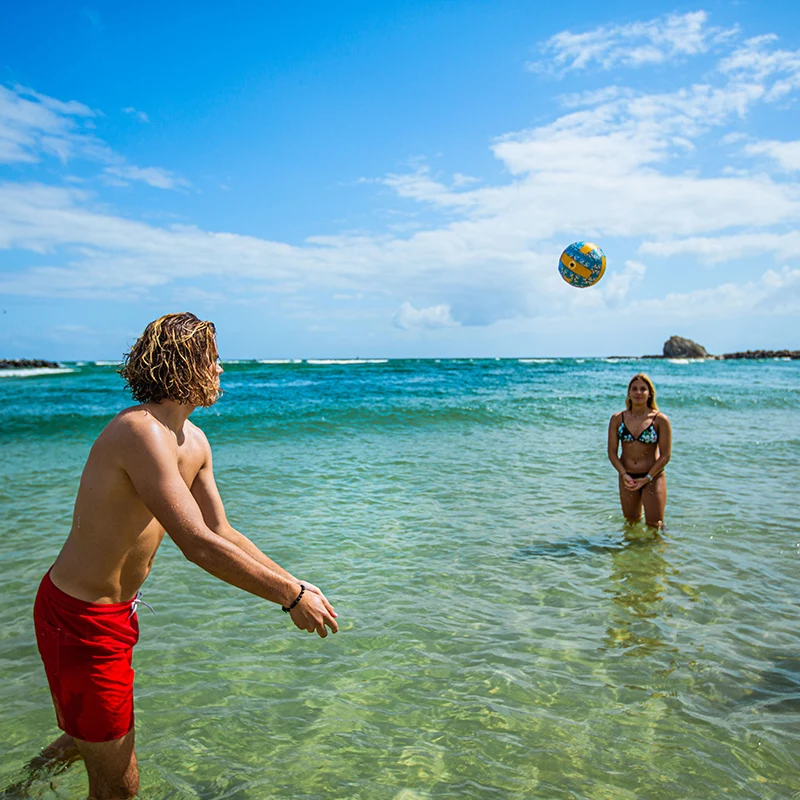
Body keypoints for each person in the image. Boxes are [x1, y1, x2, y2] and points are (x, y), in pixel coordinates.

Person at [31, 312, 338, 800]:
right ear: (186, 363)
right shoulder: (141, 431)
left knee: (95, 734)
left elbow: (222, 531)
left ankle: (20, 785)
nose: (220, 371)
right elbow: (195, 544)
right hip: (79, 619)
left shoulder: (193, 440)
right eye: (213, 359)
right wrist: (288, 597)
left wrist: (297, 582)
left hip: (114, 614)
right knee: (119, 787)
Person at [607, 373, 672, 528]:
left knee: (655, 525)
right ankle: (631, 553)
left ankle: (660, 551)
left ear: (650, 394)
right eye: (634, 389)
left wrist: (647, 477)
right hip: (627, 478)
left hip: (652, 477)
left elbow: (665, 456)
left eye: (643, 389)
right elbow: (611, 453)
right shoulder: (617, 419)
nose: (638, 392)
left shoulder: (660, 420)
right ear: (629, 393)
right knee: (631, 524)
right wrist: (623, 474)